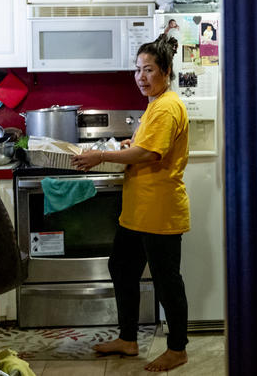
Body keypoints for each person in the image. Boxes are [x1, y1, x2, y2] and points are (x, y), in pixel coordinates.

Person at [73, 33, 190, 372]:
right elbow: (146, 145)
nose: (141, 76)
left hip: (159, 209)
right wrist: (130, 142)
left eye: (149, 69)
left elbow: (151, 152)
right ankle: (127, 339)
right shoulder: (156, 104)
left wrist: (103, 155)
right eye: (138, 70)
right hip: (138, 210)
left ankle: (178, 349)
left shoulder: (168, 106)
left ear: (165, 72)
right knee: (122, 267)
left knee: (167, 280)